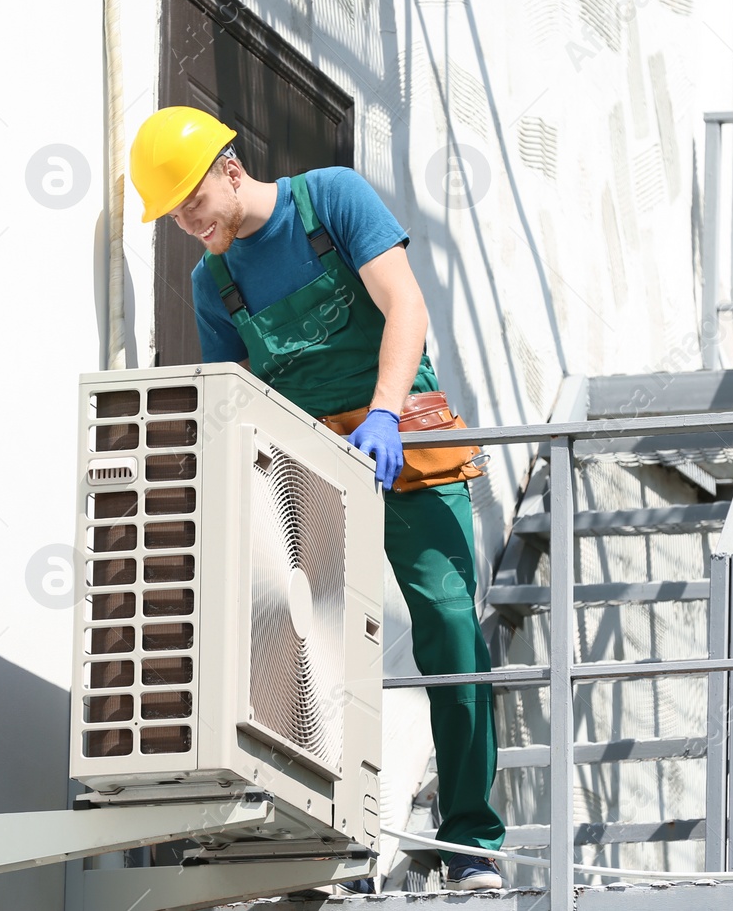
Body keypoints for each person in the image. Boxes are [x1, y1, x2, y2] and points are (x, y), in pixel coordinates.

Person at [129, 106, 507, 892]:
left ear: (231, 169)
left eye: (193, 204)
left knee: (446, 622)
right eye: (174, 218)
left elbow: (405, 304)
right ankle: (318, 844)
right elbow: (243, 403)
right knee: (299, 646)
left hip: (401, 439)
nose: (190, 225)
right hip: (311, 468)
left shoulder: (331, 200)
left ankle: (471, 834)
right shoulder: (214, 282)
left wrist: (383, 411)